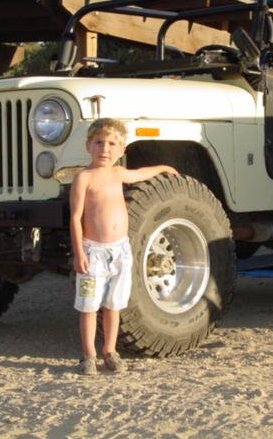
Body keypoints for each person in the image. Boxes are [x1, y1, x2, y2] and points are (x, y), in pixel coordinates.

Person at [69, 118, 178, 375]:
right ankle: (88, 354)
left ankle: (110, 351)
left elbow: (140, 174)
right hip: (93, 252)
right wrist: (79, 253)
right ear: (88, 146)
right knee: (89, 305)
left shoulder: (118, 173)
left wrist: (162, 167)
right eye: (99, 143)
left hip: (120, 251)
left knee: (113, 304)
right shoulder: (83, 178)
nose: (104, 149)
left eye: (111, 144)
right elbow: (75, 217)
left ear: (121, 149)